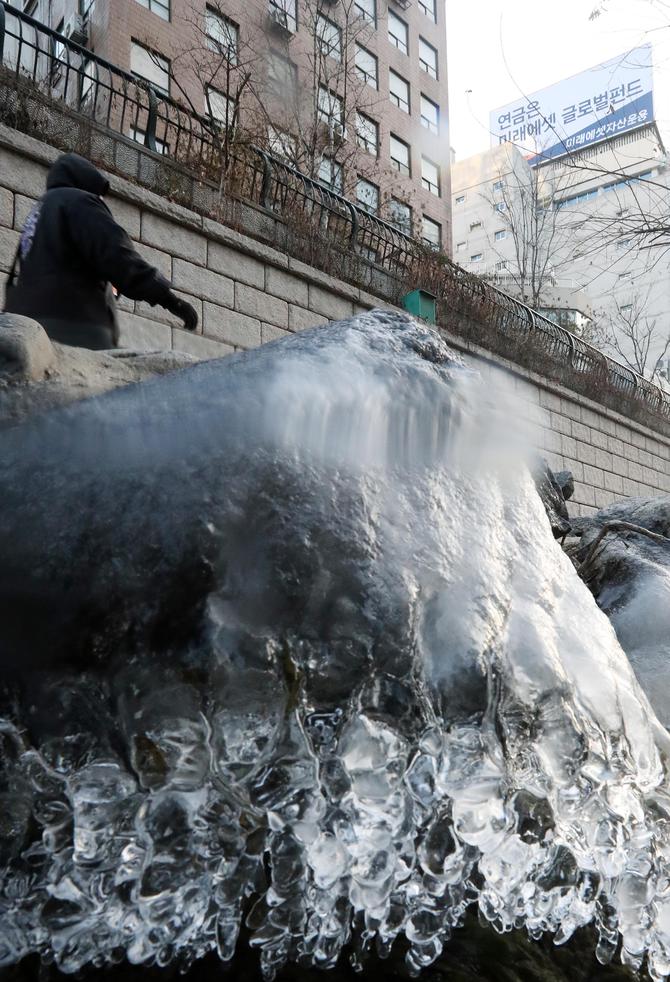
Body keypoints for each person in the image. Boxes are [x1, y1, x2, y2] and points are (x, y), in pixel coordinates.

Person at [3, 152, 198, 349]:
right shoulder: (80, 201)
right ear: (86, 180)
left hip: (26, 329)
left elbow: (20, 274)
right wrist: (171, 301)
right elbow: (119, 257)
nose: (101, 199)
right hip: (75, 325)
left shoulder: (39, 212)